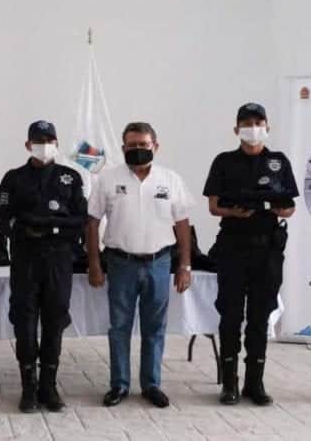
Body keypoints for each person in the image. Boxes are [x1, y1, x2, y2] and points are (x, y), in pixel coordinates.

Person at [87, 122, 193, 409]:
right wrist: (94, 263)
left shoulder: (170, 180)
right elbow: (92, 223)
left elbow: (182, 224)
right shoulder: (107, 180)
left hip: (159, 263)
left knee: (155, 328)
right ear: (122, 148)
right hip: (120, 263)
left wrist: (185, 265)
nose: (137, 150)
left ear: (155, 146)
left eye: (143, 145)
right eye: (131, 146)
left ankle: (151, 384)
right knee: (119, 327)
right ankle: (119, 385)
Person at [203, 103, 298, 405]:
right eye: (246, 122)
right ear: (236, 129)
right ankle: (229, 382)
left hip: (268, 249)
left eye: (258, 122)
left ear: (267, 126)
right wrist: (234, 210)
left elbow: (290, 207)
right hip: (233, 245)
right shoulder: (224, 161)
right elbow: (213, 206)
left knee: (260, 315)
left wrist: (270, 207)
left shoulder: (279, 161)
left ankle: (254, 383)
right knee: (230, 314)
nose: (253, 127)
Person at [0, 120, 86, 413]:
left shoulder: (70, 178)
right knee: (24, 322)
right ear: (27, 145)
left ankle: (49, 385)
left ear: (57, 144)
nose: (44, 145)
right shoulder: (13, 178)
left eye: (49, 140)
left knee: (54, 320)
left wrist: (47, 227)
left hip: (58, 261)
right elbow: (7, 221)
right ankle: (28, 388)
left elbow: (79, 222)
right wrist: (40, 226)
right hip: (25, 261)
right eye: (38, 140)